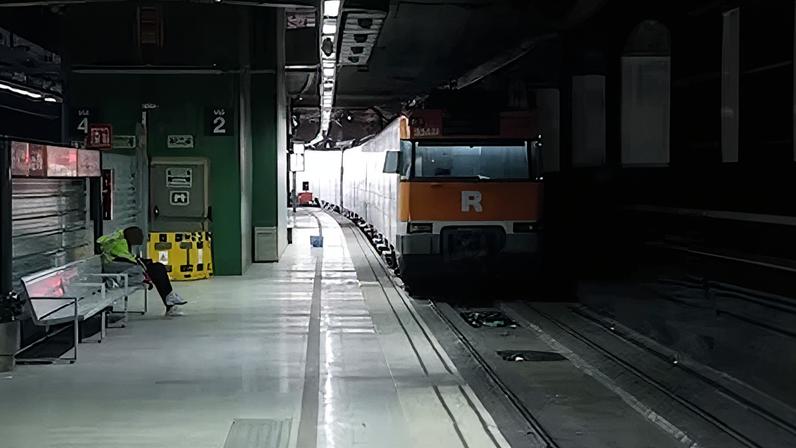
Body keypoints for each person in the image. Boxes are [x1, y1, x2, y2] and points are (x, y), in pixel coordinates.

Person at [97, 227, 188, 317]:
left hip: (123, 268)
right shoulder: (119, 243)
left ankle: (169, 301)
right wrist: (144, 264)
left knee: (158, 268)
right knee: (156, 270)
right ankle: (170, 302)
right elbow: (129, 260)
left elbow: (129, 259)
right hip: (117, 270)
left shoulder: (122, 239)